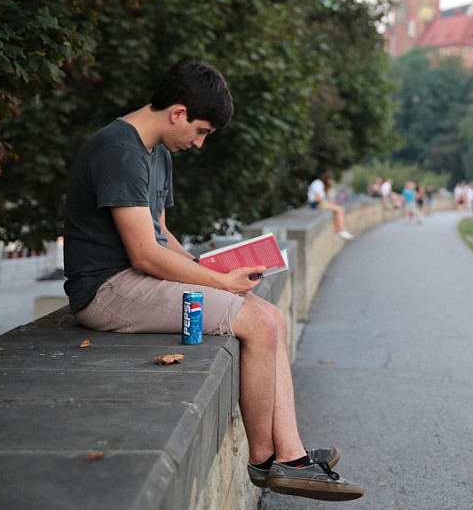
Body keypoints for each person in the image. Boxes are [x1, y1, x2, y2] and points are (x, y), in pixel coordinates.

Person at [62, 58, 363, 502]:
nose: (199, 144)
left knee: (271, 316)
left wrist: (213, 268)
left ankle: (293, 454)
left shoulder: (157, 151)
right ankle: (265, 462)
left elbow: (161, 236)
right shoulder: (119, 151)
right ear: (178, 112)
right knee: (256, 324)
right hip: (106, 291)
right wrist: (218, 284)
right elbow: (145, 254)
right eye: (200, 131)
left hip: (135, 280)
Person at [308, 171, 354, 241]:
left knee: (337, 208)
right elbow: (317, 198)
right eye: (330, 179)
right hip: (315, 204)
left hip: (317, 203)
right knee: (339, 210)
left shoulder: (320, 184)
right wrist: (327, 202)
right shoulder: (318, 184)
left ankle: (340, 230)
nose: (330, 181)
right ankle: (341, 230)